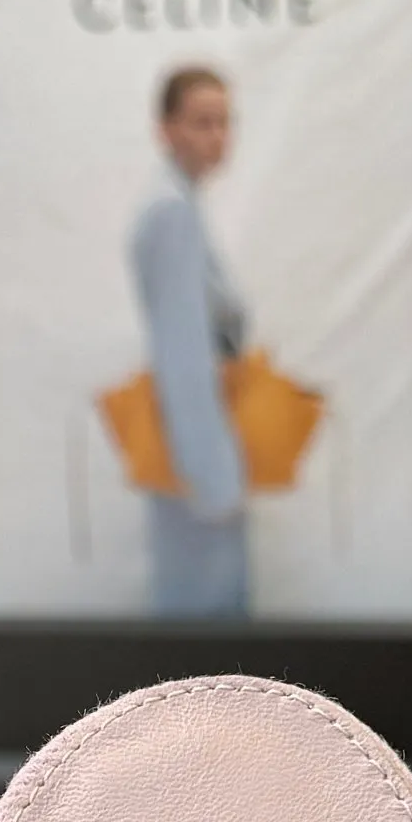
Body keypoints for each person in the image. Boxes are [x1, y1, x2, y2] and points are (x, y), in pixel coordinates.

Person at [129, 65, 250, 617]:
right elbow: (183, 356)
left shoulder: (181, 206)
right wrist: (213, 479)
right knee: (206, 628)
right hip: (195, 460)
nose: (217, 136)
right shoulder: (172, 214)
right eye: (202, 122)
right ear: (167, 130)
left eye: (224, 122)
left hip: (195, 448)